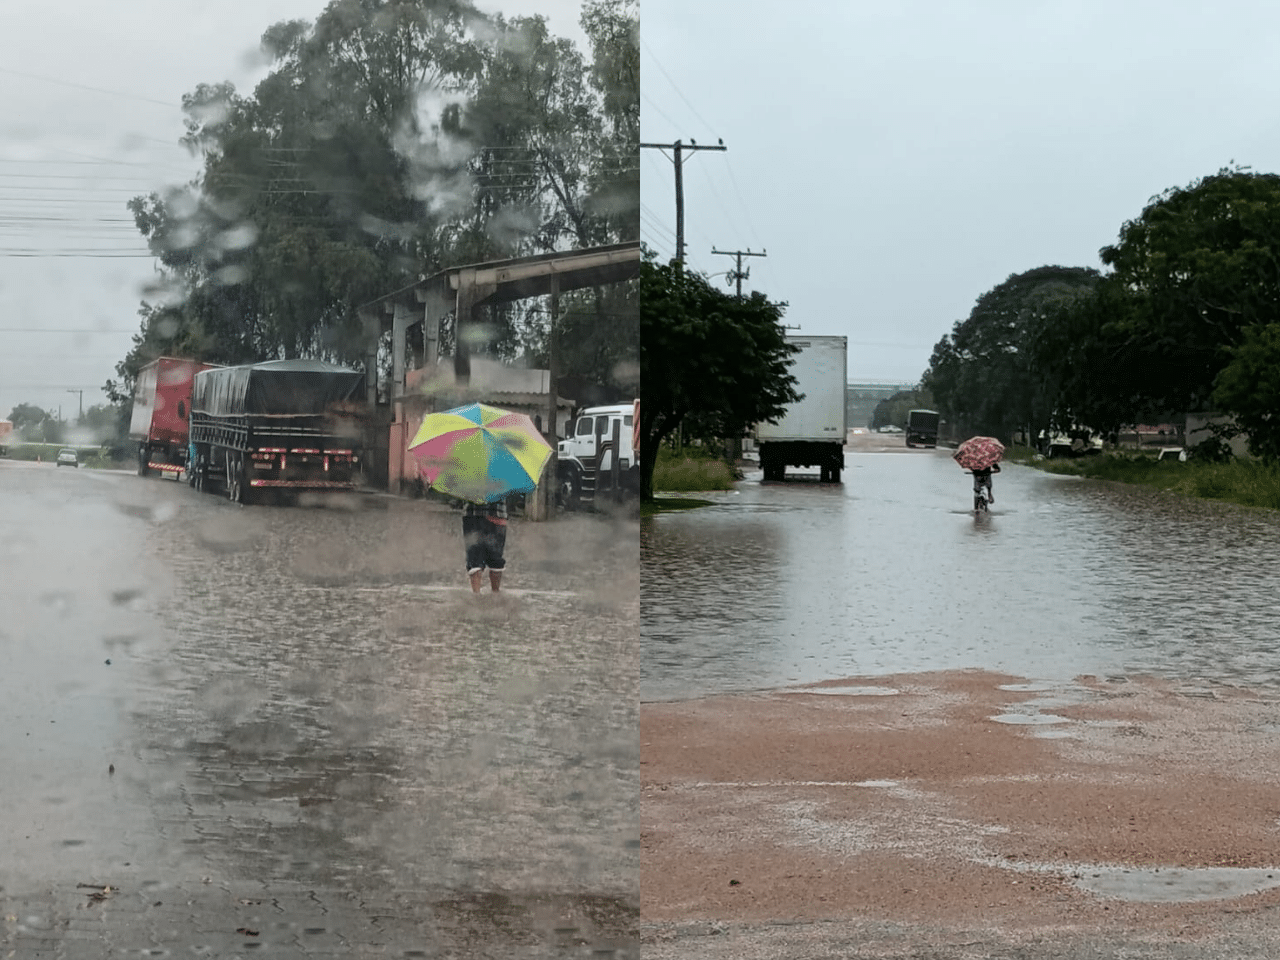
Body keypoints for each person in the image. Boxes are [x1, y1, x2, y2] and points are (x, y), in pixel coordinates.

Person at [462, 497, 510, 593]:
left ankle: (476, 596)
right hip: (496, 514)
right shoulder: (503, 482)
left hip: (473, 514)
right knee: (495, 559)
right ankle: (495, 595)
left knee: (475, 559)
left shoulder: (468, 481)